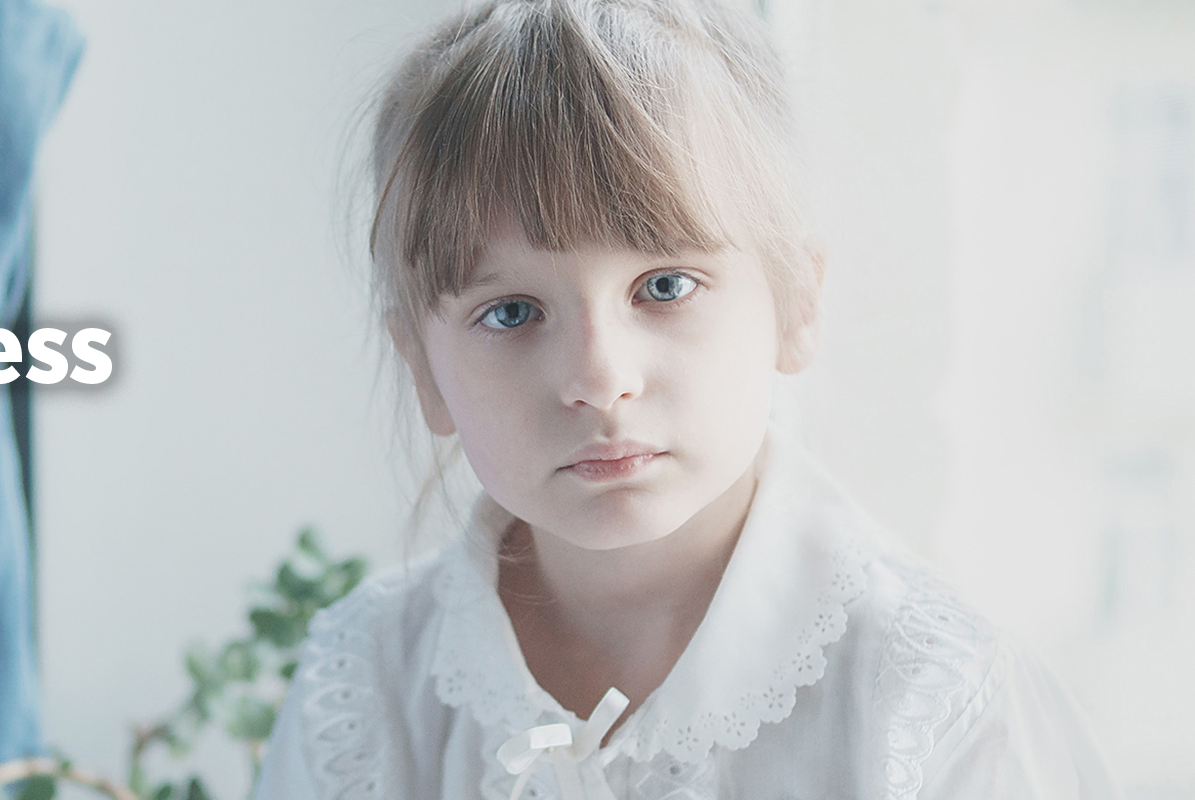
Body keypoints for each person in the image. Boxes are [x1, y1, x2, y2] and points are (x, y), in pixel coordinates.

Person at [253, 1, 1117, 798]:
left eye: (664, 287)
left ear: (796, 304)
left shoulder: (937, 705)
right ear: (422, 369)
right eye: (511, 312)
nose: (598, 379)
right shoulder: (360, 689)